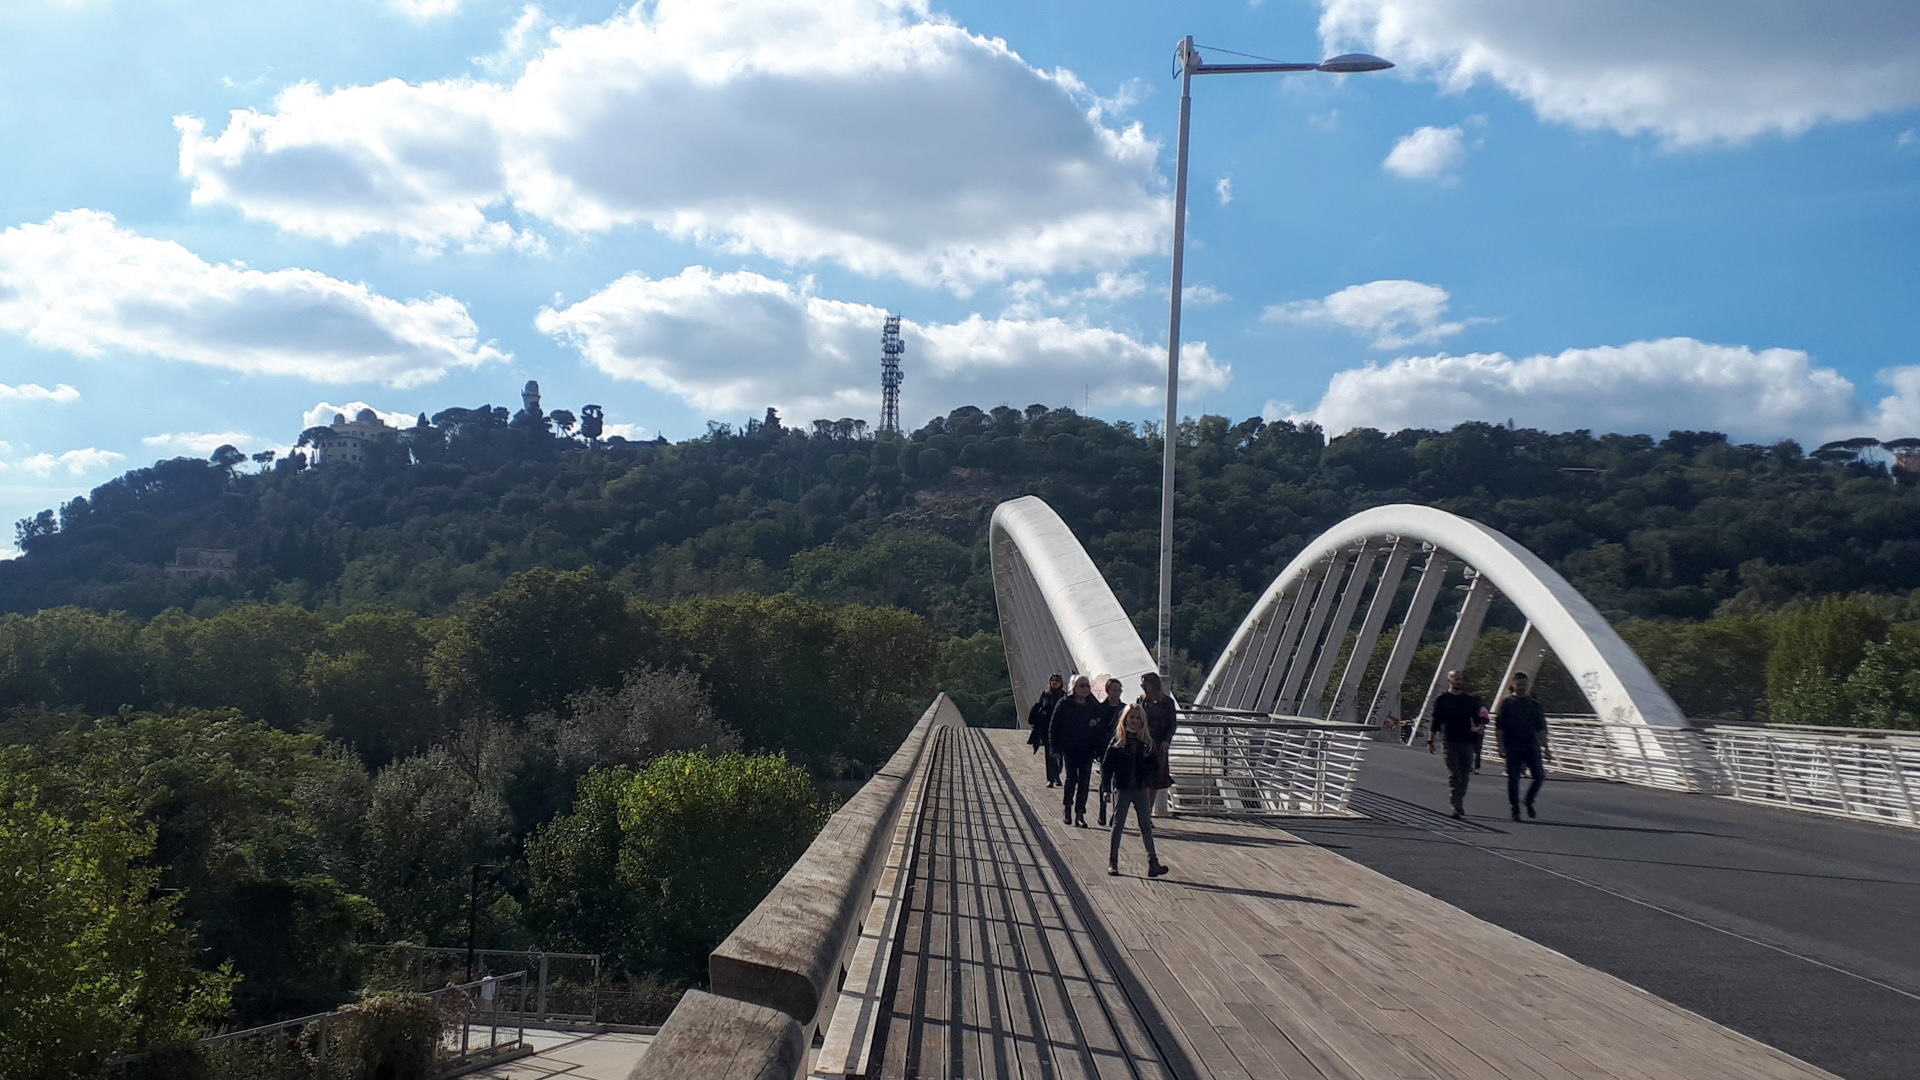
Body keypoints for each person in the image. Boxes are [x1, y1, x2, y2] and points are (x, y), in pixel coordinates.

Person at [1102, 704, 1169, 878]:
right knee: (1118, 825)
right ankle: (1113, 862)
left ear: (1142, 721)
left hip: (1140, 788)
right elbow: (1106, 767)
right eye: (1131, 717)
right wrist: (1106, 789)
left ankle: (1153, 862)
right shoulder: (1118, 741)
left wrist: (1150, 763)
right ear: (1125, 720)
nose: (1134, 720)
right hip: (1123, 788)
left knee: (1145, 825)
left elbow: (1154, 765)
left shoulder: (1146, 742)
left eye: (1137, 718)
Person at [1425, 670, 1486, 819]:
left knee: (1465, 774)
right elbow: (1436, 721)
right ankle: (1456, 805)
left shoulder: (1469, 700)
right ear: (1449, 680)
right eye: (1455, 679)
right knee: (1454, 773)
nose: (1459, 681)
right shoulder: (1442, 700)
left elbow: (1478, 718)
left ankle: (1459, 800)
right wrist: (1431, 740)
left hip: (1466, 741)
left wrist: (1480, 726)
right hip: (1449, 741)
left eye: (1460, 679)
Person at [1493, 672, 1552, 820]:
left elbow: (1541, 728)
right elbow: (1499, 727)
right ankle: (1515, 808)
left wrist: (1546, 748)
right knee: (1513, 778)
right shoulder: (1506, 704)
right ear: (1513, 685)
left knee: (1538, 776)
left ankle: (1528, 800)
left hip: (1531, 745)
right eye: (1519, 685)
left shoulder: (1534, 705)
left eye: (1524, 685)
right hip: (1512, 746)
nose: (1521, 688)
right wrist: (1500, 746)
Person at [1051, 675, 1107, 827]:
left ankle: (1080, 813)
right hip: (1070, 747)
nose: (1085, 689)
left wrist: (1096, 721)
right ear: (1073, 688)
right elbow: (1054, 726)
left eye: (1087, 686)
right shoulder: (1064, 703)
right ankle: (1067, 808)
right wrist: (1054, 748)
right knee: (1071, 779)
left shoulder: (1091, 703)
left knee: (1084, 781)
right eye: (1081, 686)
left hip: (1087, 748)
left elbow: (1103, 714)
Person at [1137, 672, 1177, 816]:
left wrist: (1167, 741)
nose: (1142, 686)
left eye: (1145, 683)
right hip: (1143, 743)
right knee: (1141, 778)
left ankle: (1147, 812)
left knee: (1154, 780)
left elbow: (1172, 723)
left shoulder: (1167, 702)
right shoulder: (1141, 701)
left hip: (1159, 744)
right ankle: (1142, 810)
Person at [1095, 677, 1125, 825]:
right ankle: (1102, 811)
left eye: (1119, 690)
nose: (1117, 692)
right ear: (1108, 691)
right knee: (1105, 780)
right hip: (1104, 749)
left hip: (1120, 748)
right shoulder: (1101, 708)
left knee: (1118, 782)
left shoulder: (1125, 709)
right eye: (1114, 690)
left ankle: (1115, 813)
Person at [1027, 673, 1066, 787]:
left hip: (1060, 729)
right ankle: (1050, 779)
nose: (1054, 683)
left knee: (1059, 754)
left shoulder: (1064, 696)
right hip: (1047, 729)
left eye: (1057, 681)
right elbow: (1040, 706)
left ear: (1061, 683)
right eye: (1052, 680)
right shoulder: (1045, 694)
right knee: (1049, 754)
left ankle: (1057, 775)